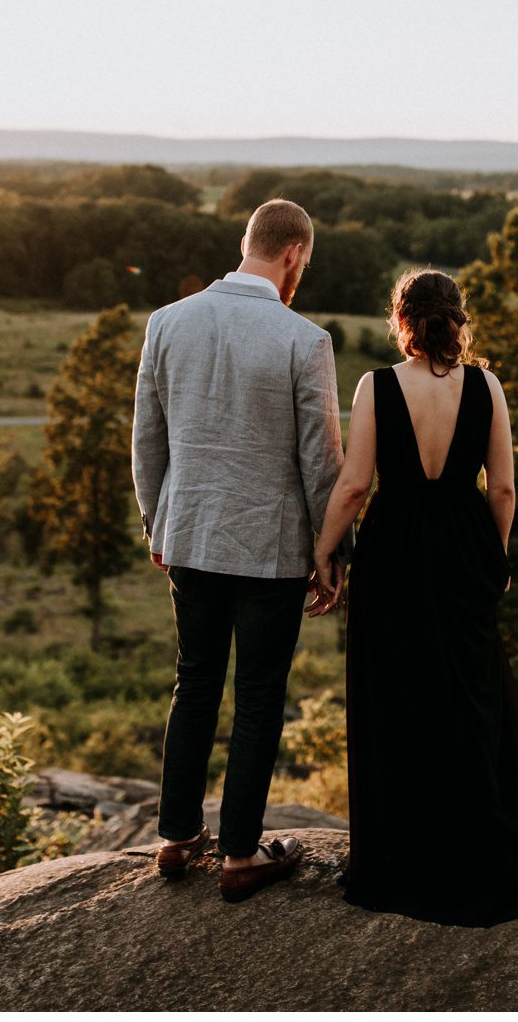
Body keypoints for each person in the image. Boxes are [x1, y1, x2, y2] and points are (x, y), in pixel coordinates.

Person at [310, 268, 518, 926]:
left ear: (402, 322)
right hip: (462, 547)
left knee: (397, 698)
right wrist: (495, 557)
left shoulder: (376, 386)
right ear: (457, 319)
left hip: (392, 551)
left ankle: (402, 855)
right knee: (470, 700)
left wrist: (325, 551)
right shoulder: (487, 386)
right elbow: (503, 489)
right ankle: (477, 853)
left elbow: (353, 486)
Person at [131, 199, 352, 903]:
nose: (301, 278)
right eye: (304, 267)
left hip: (189, 533)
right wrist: (330, 553)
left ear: (246, 244)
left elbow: (147, 439)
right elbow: (322, 459)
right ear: (293, 255)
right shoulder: (304, 339)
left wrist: (155, 521)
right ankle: (239, 852)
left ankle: (175, 836)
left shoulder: (167, 323)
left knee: (194, 680)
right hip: (271, 545)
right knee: (258, 695)